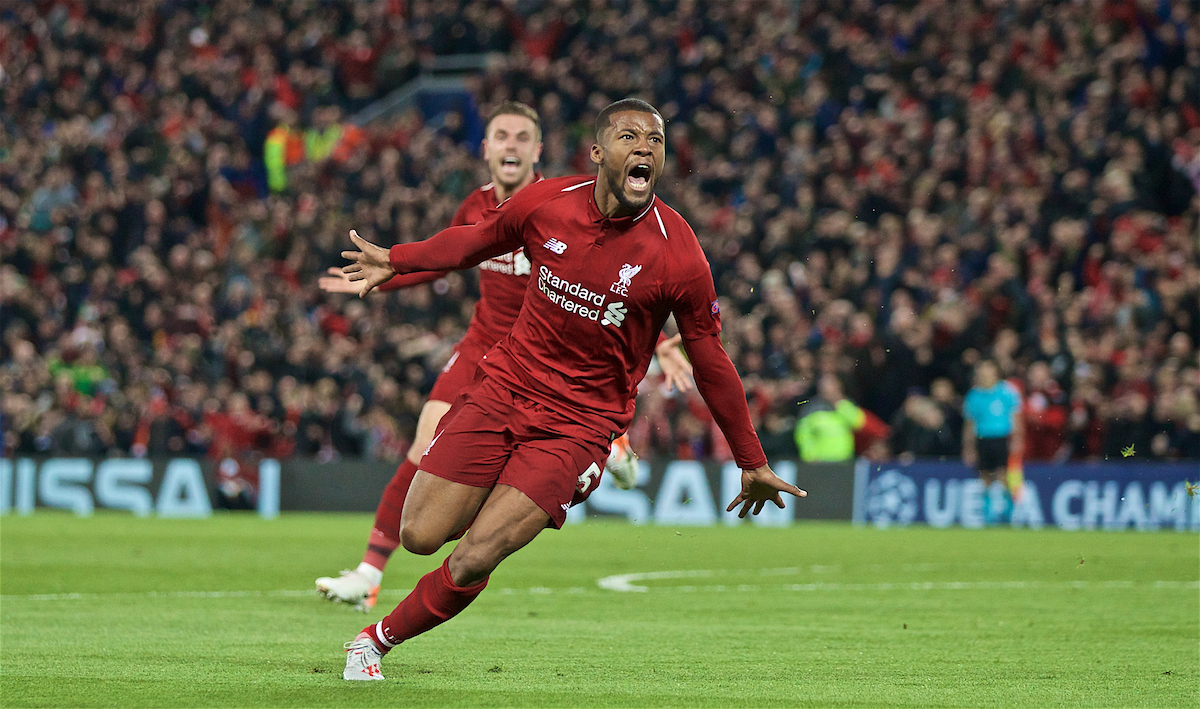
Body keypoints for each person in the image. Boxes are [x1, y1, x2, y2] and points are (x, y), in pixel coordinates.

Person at [336, 98, 806, 680]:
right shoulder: (546, 203)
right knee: (419, 534)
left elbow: (709, 358)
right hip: (504, 387)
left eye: (656, 141)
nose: (645, 149)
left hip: (578, 424)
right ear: (599, 153)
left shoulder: (679, 252)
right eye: (630, 137)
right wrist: (397, 260)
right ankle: (498, 490)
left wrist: (750, 459)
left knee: (478, 553)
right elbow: (474, 240)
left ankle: (374, 643)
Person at [314, 101, 694, 612]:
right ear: (486, 147)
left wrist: (663, 341)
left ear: (536, 151)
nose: (510, 145)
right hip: (482, 346)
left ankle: (605, 447)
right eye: (501, 135)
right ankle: (369, 572)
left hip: (545, 359)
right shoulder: (475, 206)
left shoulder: (560, 201)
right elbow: (449, 258)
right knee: (423, 445)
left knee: (454, 458)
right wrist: (383, 275)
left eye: (521, 137)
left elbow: (615, 284)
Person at [962, 360, 1023, 525]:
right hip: (982, 439)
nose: (984, 375)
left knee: (1004, 476)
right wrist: (968, 448)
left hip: (1002, 438)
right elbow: (970, 424)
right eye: (981, 372)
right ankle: (988, 514)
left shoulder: (1007, 392)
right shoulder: (974, 395)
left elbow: (1016, 419)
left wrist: (1017, 441)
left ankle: (1008, 512)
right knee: (985, 477)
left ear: (996, 373)